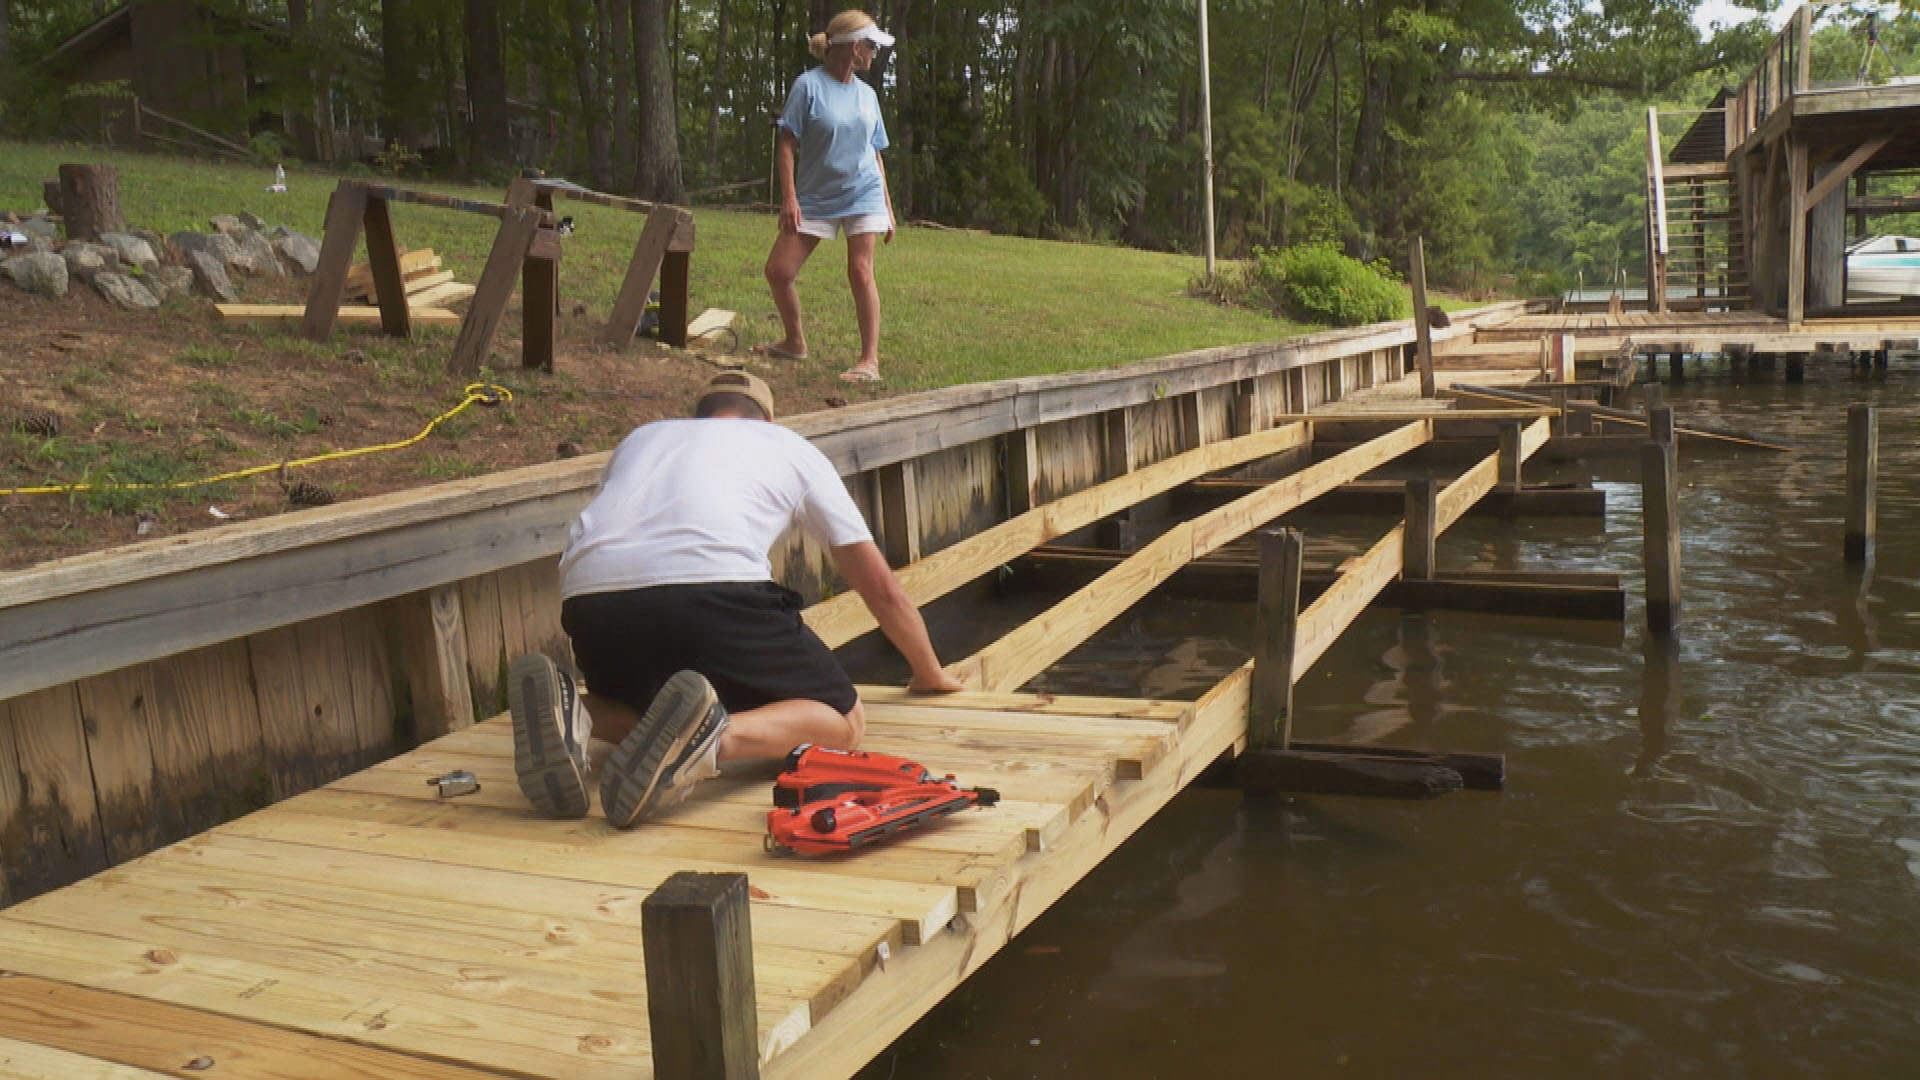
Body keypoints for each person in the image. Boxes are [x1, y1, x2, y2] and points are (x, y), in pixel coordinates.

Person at [507, 370, 965, 827]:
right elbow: (880, 587)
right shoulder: (787, 445)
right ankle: (710, 740)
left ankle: (578, 712)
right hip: (713, 588)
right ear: (766, 417)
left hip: (591, 602)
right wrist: (928, 673)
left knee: (641, 710)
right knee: (843, 721)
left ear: (699, 415)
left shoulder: (642, 439)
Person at [753, 10, 898, 384]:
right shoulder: (808, 86)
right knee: (779, 272)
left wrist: (887, 206)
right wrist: (790, 199)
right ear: (853, 48)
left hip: (863, 191)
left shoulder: (868, 96)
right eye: (871, 45)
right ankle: (794, 342)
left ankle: (869, 361)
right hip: (815, 196)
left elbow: (875, 152)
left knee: (861, 271)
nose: (874, 53)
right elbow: (786, 144)